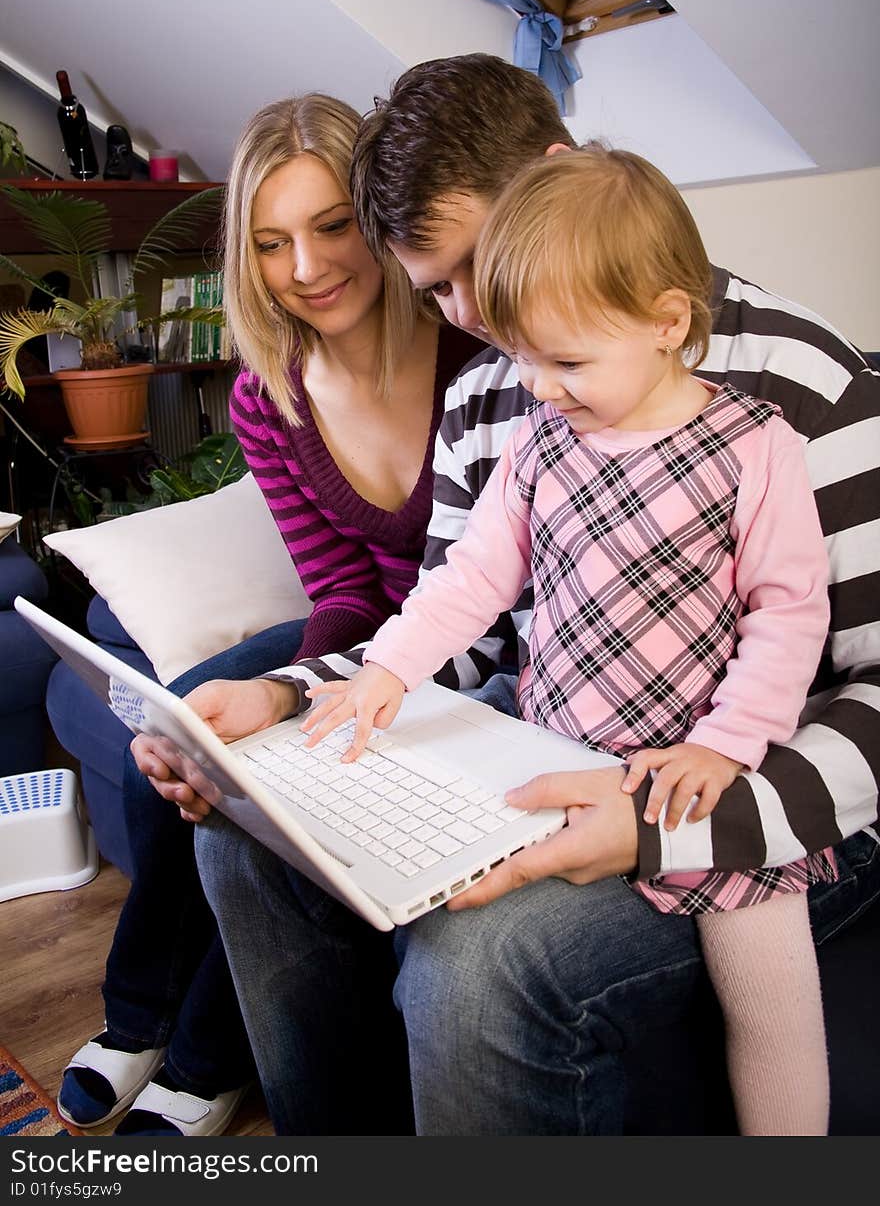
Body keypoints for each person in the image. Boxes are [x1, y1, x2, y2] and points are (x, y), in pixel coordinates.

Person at [136, 55, 880, 1135]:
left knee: (475, 962)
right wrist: (290, 697)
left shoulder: (793, 387)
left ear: (561, 176)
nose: (480, 315)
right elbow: (467, 620)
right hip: (558, 746)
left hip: (751, 798)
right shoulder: (499, 392)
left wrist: (656, 826)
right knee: (243, 837)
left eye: (484, 261)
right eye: (437, 288)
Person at [301, 145, 834, 1135]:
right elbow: (471, 579)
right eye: (524, 359)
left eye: (569, 360)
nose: (540, 388)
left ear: (667, 322)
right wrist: (388, 667)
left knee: (773, 1018)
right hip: (552, 760)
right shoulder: (541, 442)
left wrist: (726, 746)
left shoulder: (756, 446)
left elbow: (789, 613)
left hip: (690, 785)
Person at [57, 93, 481, 1136]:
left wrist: (300, 700)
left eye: (332, 225)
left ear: (380, 216)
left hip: (452, 641)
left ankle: (204, 1061)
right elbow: (335, 585)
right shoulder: (268, 393)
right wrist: (275, 688)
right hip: (356, 624)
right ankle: (136, 1018)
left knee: (263, 788)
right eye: (271, 241)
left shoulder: (473, 348)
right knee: (185, 726)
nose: (306, 267)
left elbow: (481, 595)